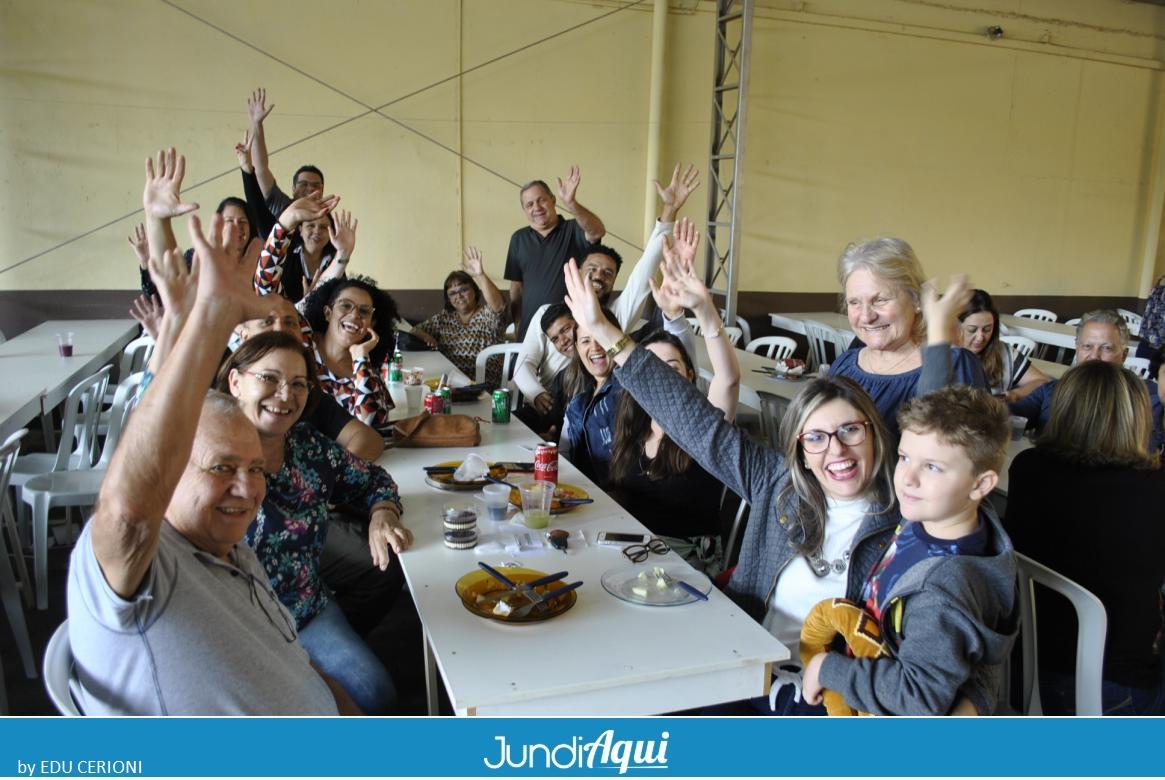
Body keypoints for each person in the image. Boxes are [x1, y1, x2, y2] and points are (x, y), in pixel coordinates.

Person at [559, 245, 986, 714]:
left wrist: (941, 340)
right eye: (816, 438)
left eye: (849, 431)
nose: (835, 451)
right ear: (799, 445)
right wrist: (605, 332)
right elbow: (693, 420)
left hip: (816, 698)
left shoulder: (905, 520)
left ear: (880, 437)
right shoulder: (783, 482)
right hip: (743, 661)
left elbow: (941, 446)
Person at [68, 157, 347, 713]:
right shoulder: (146, 566)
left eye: (255, 469)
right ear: (172, 470)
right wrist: (208, 316)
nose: (248, 488)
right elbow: (129, 508)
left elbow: (294, 663)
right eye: (221, 468)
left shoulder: (230, 547)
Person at [218, 331, 411, 714]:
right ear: (236, 382)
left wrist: (382, 513)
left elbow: (374, 479)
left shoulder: (308, 446)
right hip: (231, 627)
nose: (285, 395)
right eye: (269, 379)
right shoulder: (208, 454)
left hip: (303, 607)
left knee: (373, 694)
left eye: (298, 384)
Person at [801, 385, 1018, 715]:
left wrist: (827, 668)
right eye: (904, 458)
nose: (907, 479)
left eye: (932, 467)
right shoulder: (927, 518)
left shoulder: (942, 589)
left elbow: (918, 697)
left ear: (980, 485)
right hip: (863, 683)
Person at [1005, 360, 1165, 715]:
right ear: (1137, 418)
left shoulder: (1028, 468)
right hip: (1116, 688)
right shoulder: (1155, 486)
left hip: (1021, 671)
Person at [513, 164, 700, 432]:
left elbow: (647, 265)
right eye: (592, 269)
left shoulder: (613, 318)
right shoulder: (547, 314)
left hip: (594, 415)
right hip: (547, 406)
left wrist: (669, 211)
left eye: (608, 273)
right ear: (576, 271)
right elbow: (523, 365)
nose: (600, 276)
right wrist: (537, 395)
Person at [832, 237, 985, 439]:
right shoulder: (844, 365)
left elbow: (948, 447)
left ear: (916, 300)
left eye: (880, 300)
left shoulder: (957, 365)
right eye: (854, 302)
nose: (867, 316)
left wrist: (939, 331)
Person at [1009, 309, 1163, 451]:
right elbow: (1008, 418)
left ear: (1123, 355)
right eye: (1087, 346)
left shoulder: (1148, 397)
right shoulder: (1053, 390)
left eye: (1107, 348)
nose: (1095, 356)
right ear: (1077, 349)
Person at [504, 167, 605, 339]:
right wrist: (518, 323)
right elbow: (517, 288)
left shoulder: (574, 229)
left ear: (552, 199)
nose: (536, 208)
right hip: (530, 331)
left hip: (570, 329)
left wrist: (571, 203)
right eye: (529, 204)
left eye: (541, 200)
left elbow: (597, 232)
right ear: (524, 210)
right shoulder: (518, 239)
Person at [301, 275, 400, 431]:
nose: (354, 315)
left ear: (371, 324)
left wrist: (361, 358)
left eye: (364, 311)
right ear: (328, 313)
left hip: (347, 453)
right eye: (345, 306)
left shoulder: (365, 368)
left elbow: (372, 428)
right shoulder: (303, 346)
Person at [410, 247, 506, 385]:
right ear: (448, 299)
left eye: (464, 290)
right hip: (449, 382)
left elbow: (499, 307)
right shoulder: (445, 318)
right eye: (453, 293)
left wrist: (480, 275)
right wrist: (426, 336)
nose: (459, 296)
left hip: (483, 385)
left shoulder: (486, 314)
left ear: (474, 291)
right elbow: (414, 331)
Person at [253, 193, 354, 305]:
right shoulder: (286, 256)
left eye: (323, 227)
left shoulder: (334, 261)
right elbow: (264, 287)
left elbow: (339, 305)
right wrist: (286, 221)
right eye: (311, 225)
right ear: (300, 230)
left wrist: (343, 254)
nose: (317, 231)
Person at [245, 86, 327, 219]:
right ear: (293, 189)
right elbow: (260, 169)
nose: (310, 189)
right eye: (303, 184)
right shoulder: (281, 205)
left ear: (322, 191)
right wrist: (256, 124)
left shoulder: (326, 221)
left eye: (316, 185)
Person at [958, 288, 1050, 402]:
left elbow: (1042, 381)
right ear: (956, 327)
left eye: (987, 329)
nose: (980, 337)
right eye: (972, 330)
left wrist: (1014, 394)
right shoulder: (944, 355)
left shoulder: (1003, 352)